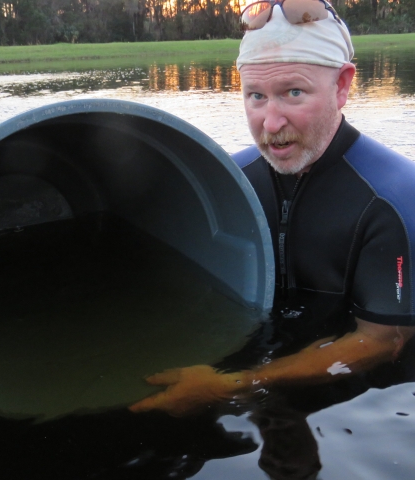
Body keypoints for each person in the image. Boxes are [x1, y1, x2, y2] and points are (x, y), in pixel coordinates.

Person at [130, 0, 415, 418]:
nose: (271, 122)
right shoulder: (228, 181)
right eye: (256, 96)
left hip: (355, 409)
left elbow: (383, 341)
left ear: (342, 85)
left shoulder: (394, 198)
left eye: (293, 93)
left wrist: (237, 385)